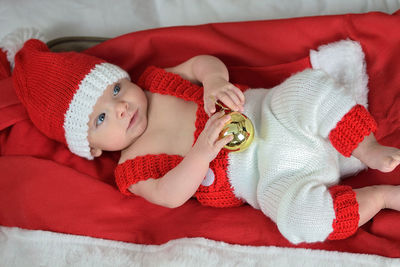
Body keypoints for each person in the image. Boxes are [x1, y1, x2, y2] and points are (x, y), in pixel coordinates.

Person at [3, 30, 400, 244]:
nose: (121, 108)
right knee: (299, 223)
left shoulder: (156, 83)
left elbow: (200, 62)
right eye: (102, 117)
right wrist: (199, 153)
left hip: (273, 115)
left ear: (124, 79)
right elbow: (168, 194)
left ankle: (365, 148)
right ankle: (379, 197)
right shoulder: (130, 167)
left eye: (116, 91)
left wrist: (214, 81)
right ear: (91, 148)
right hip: (267, 179)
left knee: (309, 87)